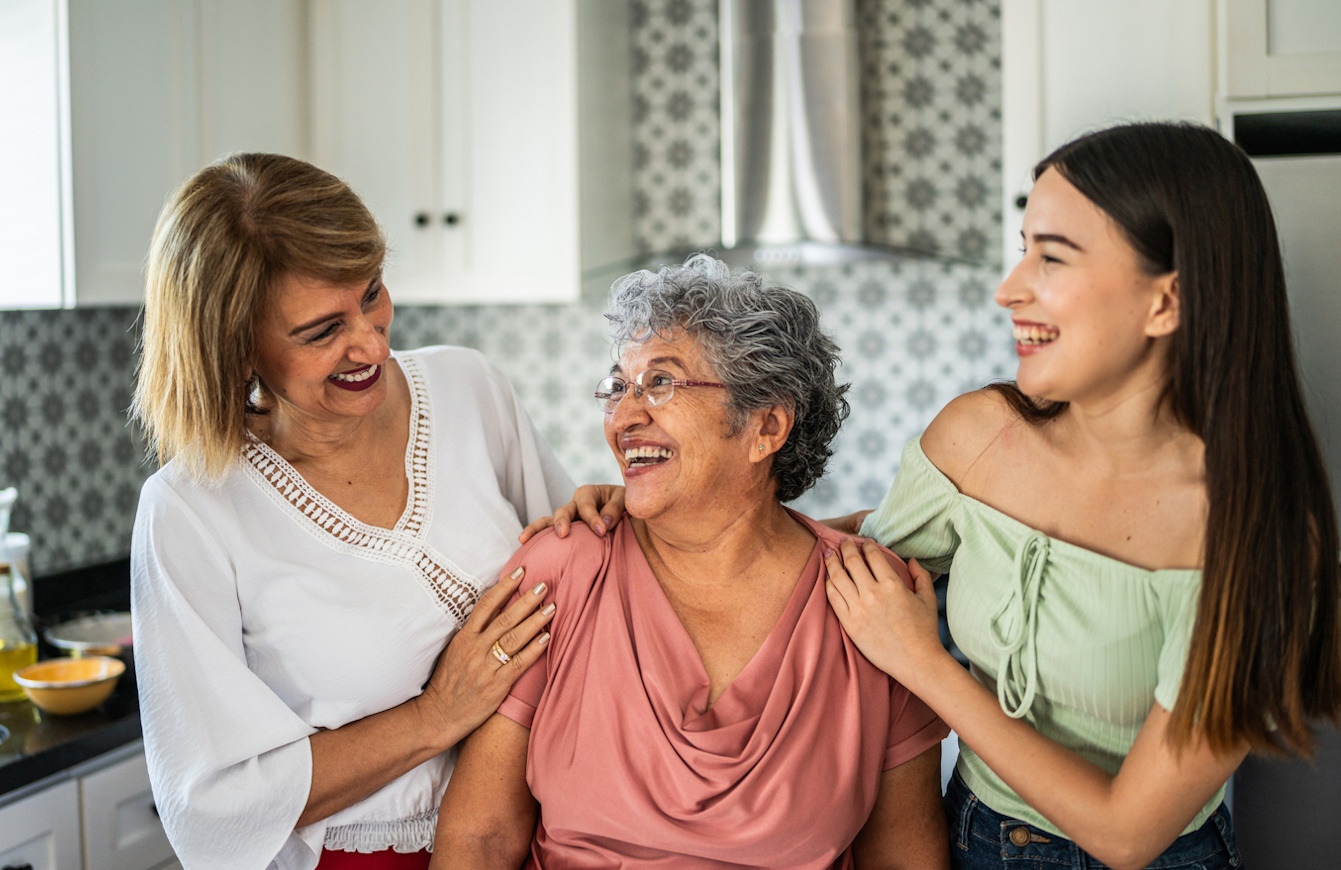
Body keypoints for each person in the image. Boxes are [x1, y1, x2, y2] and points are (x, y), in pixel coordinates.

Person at [823, 122, 1341, 869]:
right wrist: (641, 523)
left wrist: (926, 666)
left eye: (1052, 257)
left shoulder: (1256, 534)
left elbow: (1128, 834)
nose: (1009, 290)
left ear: (1166, 301)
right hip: (971, 843)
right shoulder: (979, 437)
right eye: (1022, 247)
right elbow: (842, 561)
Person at [128, 153, 620, 870]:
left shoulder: (468, 388)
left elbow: (589, 597)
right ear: (236, 350)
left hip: (532, 836)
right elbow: (211, 807)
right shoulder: (189, 511)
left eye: (373, 293)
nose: (369, 342)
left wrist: (600, 516)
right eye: (321, 331)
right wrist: (434, 715)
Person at [431, 254, 951, 869]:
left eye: (660, 383)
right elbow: (481, 840)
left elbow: (904, 859)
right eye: (618, 387)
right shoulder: (564, 570)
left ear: (767, 425)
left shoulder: (869, 599)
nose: (624, 418)